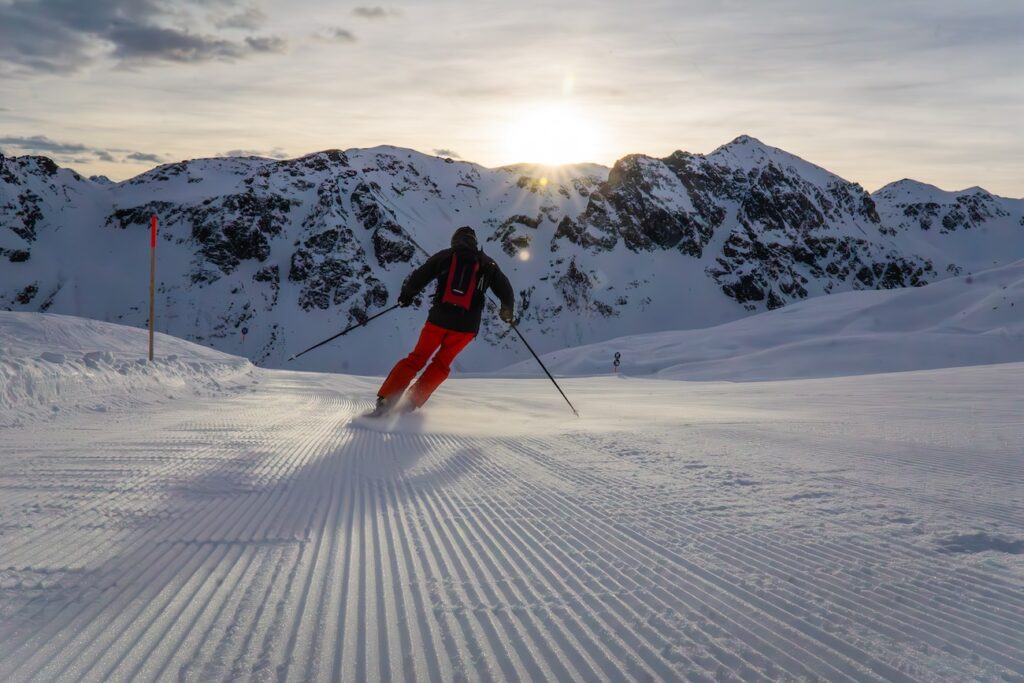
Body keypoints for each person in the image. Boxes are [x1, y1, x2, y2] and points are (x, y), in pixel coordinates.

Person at [369, 226, 515, 416]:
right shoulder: (487, 263)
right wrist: (507, 312)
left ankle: (388, 400)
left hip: (439, 319)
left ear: (455, 241)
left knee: (416, 358)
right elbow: (506, 289)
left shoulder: (446, 256)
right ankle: (411, 401)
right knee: (441, 363)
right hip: (467, 327)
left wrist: (407, 296)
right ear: (474, 242)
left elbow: (421, 275)